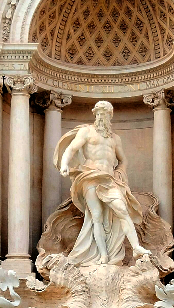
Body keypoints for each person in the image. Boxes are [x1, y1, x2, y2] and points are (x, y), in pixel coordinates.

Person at [56, 101, 151, 265]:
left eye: (105, 114)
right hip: (90, 176)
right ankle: (103, 255)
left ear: (110, 116)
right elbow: (71, 149)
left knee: (122, 210)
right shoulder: (87, 132)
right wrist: (64, 164)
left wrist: (120, 172)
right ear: (95, 115)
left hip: (109, 179)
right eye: (99, 113)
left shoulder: (115, 139)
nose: (101, 117)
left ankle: (136, 247)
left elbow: (123, 160)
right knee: (96, 216)